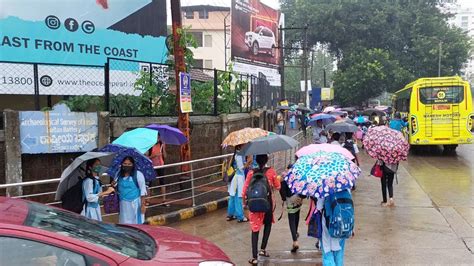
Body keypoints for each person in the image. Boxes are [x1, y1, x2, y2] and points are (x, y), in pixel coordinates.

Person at [243, 154, 281, 265]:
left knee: (255, 229)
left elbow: (245, 189)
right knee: (267, 225)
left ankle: (254, 257)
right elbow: (278, 186)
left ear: (256, 160)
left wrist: (244, 205)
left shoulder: (251, 173)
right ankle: (263, 249)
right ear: (266, 160)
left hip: (254, 205)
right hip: (267, 204)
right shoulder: (271, 172)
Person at [317, 189, 352, 266]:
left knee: (327, 252)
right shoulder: (346, 187)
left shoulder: (324, 188)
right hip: (342, 225)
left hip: (328, 226)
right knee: (339, 253)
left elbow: (319, 207)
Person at [113, 156, 148, 224]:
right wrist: (113, 184)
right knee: (124, 223)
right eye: (125, 164)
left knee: (136, 224)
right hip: (123, 204)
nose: (127, 166)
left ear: (133, 165)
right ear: (122, 164)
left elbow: (143, 190)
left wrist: (143, 205)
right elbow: (115, 188)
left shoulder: (138, 175)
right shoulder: (118, 174)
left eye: (129, 164)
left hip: (135, 204)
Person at [279, 163, 304, 253]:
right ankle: (296, 233)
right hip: (297, 197)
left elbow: (282, 190)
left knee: (291, 220)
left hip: (290, 199)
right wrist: (301, 197)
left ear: (287, 168)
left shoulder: (284, 176)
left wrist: (284, 198)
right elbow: (303, 187)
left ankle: (295, 240)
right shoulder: (298, 175)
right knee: (297, 216)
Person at [227, 145, 249, 223]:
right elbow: (241, 168)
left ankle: (230, 214)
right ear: (239, 147)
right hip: (239, 178)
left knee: (233, 196)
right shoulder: (239, 156)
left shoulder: (236, 155)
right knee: (239, 196)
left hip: (235, 177)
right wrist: (248, 163)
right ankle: (240, 216)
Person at [146, 136, 167, 202]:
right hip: (152, 166)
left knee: (162, 182)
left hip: (160, 165)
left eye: (158, 137)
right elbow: (147, 157)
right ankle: (148, 199)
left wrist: (163, 149)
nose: (157, 139)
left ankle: (164, 199)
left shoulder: (161, 144)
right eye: (156, 138)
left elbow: (165, 156)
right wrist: (154, 156)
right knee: (150, 182)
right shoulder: (150, 146)